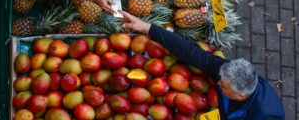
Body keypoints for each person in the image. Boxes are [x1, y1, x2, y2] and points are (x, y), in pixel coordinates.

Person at [120, 11, 285, 120]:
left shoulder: (266, 114)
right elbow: (192, 53)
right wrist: (147, 27)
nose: (218, 83)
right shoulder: (227, 74)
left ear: (240, 95)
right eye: (220, 80)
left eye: (223, 85)